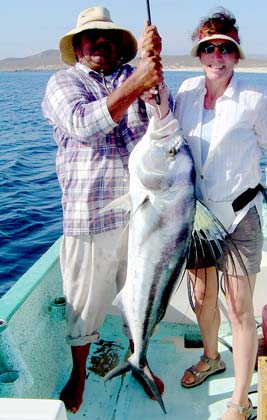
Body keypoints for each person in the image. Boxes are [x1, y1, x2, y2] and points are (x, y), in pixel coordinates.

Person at [42, 6, 170, 413]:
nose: (100, 42)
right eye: (91, 37)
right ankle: (78, 375)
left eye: (108, 37)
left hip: (139, 215)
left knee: (140, 296)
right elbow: (85, 123)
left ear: (118, 47)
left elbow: (162, 122)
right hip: (88, 218)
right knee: (85, 307)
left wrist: (155, 78)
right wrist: (138, 81)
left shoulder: (131, 79)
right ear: (78, 47)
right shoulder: (62, 83)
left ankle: (141, 359)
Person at [174, 8, 267, 420]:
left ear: (236, 55)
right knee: (203, 296)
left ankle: (239, 401)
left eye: (225, 48)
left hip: (241, 215)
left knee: (239, 306)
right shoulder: (184, 93)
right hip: (199, 218)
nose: (216, 56)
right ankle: (211, 358)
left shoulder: (256, 98)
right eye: (208, 48)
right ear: (199, 54)